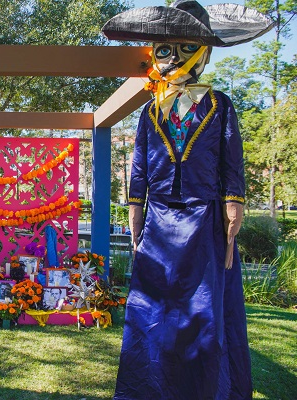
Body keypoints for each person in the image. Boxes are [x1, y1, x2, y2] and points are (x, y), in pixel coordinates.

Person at [102, 2, 272, 399]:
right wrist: (134, 207)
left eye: (184, 47)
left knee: (204, 306)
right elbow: (139, 164)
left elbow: (232, 158)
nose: (174, 57)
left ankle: (205, 388)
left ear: (204, 51)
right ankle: (151, 387)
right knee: (152, 306)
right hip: (159, 220)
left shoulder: (220, 104)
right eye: (165, 49)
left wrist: (234, 203)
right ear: (154, 53)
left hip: (204, 219)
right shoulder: (150, 111)